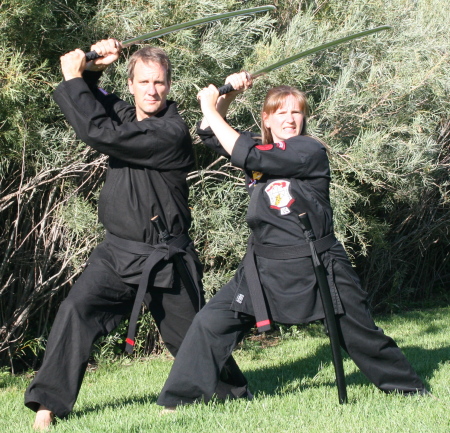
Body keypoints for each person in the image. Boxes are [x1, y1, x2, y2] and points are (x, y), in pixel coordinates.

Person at [156, 72, 427, 408]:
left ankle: (409, 391)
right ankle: (178, 401)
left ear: (304, 117)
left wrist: (210, 107)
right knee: (211, 323)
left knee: (360, 335)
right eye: (280, 112)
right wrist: (227, 97)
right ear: (266, 118)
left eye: (296, 112)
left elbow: (248, 154)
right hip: (262, 268)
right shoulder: (259, 147)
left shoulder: (307, 150)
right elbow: (214, 134)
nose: (289, 119)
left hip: (318, 264)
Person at [24, 40, 249, 430]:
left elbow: (99, 132)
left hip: (167, 257)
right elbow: (100, 105)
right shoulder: (130, 115)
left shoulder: (171, 132)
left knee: (191, 339)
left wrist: (71, 77)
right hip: (117, 253)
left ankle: (231, 392)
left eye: (159, 83)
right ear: (130, 84)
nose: (151, 90)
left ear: (169, 85)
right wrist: (93, 70)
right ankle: (48, 406)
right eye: (143, 81)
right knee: (75, 310)